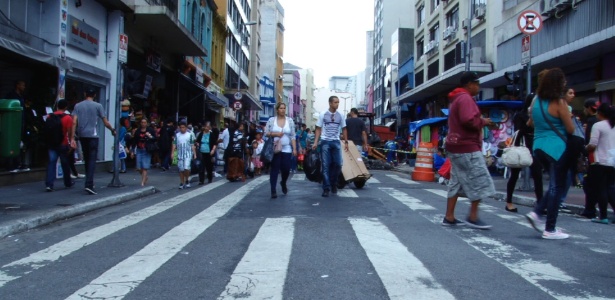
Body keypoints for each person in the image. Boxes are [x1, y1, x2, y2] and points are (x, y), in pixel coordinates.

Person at [525, 68, 574, 239]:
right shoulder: (559, 102)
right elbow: (570, 128)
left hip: (538, 146)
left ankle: (537, 213)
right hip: (556, 147)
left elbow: (530, 123)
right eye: (563, 81)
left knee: (556, 184)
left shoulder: (536, 101)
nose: (565, 83)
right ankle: (549, 228)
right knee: (557, 186)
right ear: (558, 83)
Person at [442, 71, 495, 229]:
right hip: (466, 146)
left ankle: (449, 216)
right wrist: (482, 121)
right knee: (479, 179)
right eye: (476, 83)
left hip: (456, 145)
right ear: (469, 84)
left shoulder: (457, 98)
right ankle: (473, 216)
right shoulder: (465, 98)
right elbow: (468, 120)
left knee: (456, 182)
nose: (478, 87)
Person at [71, 87, 116, 195]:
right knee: (92, 160)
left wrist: (72, 137)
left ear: (85, 93)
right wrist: (112, 130)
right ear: (94, 95)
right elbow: (105, 122)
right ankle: (89, 184)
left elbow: (74, 122)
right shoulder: (98, 106)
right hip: (93, 135)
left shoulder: (78, 105)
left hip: (82, 135)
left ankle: (89, 182)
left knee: (86, 159)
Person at [504, 94, 543, 213]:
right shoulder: (520, 115)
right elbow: (520, 131)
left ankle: (540, 203)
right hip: (522, 146)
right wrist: (530, 120)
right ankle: (509, 201)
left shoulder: (540, 116)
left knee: (537, 175)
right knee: (514, 174)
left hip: (535, 145)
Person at [585, 103, 615, 224]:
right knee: (610, 188)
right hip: (612, 161)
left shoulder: (598, 125)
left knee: (601, 189)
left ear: (601, 113)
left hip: (599, 161)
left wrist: (585, 147)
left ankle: (603, 216)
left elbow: (593, 144)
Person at [312, 96, 348, 197]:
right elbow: (318, 128)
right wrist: (315, 142)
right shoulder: (323, 114)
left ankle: (333, 182)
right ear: (330, 103)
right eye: (335, 102)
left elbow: (344, 128)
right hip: (325, 141)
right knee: (325, 165)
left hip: (336, 141)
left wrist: (346, 142)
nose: (337, 104)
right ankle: (326, 187)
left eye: (338, 102)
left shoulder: (340, 115)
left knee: (338, 164)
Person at [265, 103, 297, 198]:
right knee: (274, 169)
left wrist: (294, 148)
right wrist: (275, 134)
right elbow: (266, 133)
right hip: (275, 149)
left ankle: (283, 182)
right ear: (277, 110)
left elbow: (293, 135)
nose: (283, 110)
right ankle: (273, 190)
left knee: (286, 169)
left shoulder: (290, 121)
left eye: (284, 108)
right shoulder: (271, 120)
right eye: (281, 108)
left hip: (286, 148)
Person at [44, 99, 74, 191]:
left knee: (51, 163)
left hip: (52, 144)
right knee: (65, 164)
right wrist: (71, 142)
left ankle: (49, 184)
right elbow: (69, 133)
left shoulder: (49, 116)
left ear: (57, 106)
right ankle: (67, 182)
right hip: (63, 143)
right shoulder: (68, 118)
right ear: (65, 107)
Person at [580, 98, 601, 218]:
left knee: (589, 184)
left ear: (588, 108)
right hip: (606, 157)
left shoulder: (592, 122)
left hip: (594, 157)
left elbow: (590, 142)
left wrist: (584, 150)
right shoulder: (606, 123)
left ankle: (590, 209)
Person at [130, 118, 157, 186]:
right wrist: (132, 151)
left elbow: (155, 139)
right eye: (142, 122)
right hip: (139, 149)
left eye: (144, 122)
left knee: (145, 167)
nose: (143, 124)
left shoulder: (150, 130)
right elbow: (134, 141)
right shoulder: (138, 131)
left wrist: (149, 136)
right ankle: (145, 177)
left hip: (147, 149)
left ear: (147, 123)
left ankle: (142, 182)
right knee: (138, 167)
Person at [172, 121, 196, 189]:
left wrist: (194, 154)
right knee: (181, 169)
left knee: (186, 168)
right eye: (181, 127)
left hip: (188, 154)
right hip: (180, 155)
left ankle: (187, 179)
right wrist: (172, 153)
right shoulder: (177, 135)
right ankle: (182, 182)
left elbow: (192, 145)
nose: (182, 129)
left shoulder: (189, 135)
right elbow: (174, 144)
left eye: (183, 127)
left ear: (186, 128)